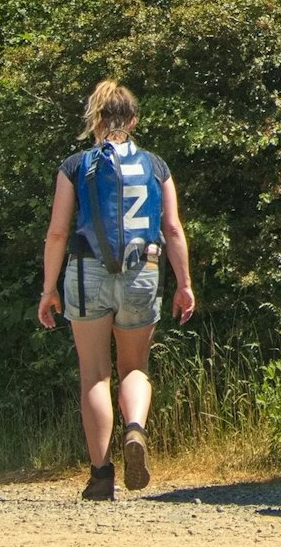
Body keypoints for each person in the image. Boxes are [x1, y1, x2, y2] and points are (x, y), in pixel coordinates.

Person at [37, 80, 195, 500]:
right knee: (135, 367)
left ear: (96, 120)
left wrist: (49, 289)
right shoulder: (156, 166)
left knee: (94, 374)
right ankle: (135, 428)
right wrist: (184, 284)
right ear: (134, 120)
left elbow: (58, 233)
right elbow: (173, 228)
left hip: (87, 272)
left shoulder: (75, 165)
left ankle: (101, 476)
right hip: (143, 271)